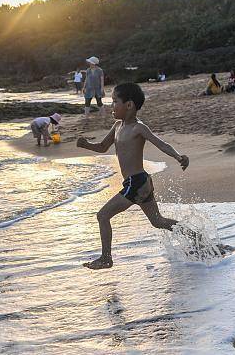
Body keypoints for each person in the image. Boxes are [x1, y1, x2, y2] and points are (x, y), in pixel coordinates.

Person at [76, 83, 189, 269]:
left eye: (114, 102)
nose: (111, 106)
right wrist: (86, 144)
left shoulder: (139, 128)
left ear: (129, 105)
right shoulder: (117, 126)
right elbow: (103, 147)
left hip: (136, 182)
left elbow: (161, 144)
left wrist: (178, 156)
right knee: (158, 221)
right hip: (139, 183)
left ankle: (106, 258)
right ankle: (198, 238)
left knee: (102, 215)